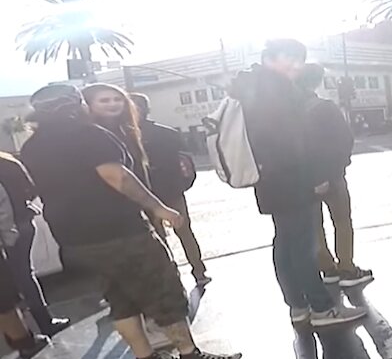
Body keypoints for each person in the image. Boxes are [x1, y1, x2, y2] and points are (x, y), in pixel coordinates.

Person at [20, 84, 240, 359]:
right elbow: (116, 176)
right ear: (75, 105)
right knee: (163, 291)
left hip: (72, 237)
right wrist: (159, 207)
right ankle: (192, 358)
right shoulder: (89, 135)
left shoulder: (32, 146)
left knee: (119, 298)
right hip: (118, 229)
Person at [231, 39, 366, 326]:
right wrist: (315, 177)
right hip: (292, 180)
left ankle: (297, 305)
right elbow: (289, 143)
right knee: (302, 246)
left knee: (285, 244)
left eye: (299, 59)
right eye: (288, 58)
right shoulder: (276, 91)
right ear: (269, 58)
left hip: (269, 181)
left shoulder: (253, 86)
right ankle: (321, 308)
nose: (295, 64)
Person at [295, 64, 373, 289]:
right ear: (315, 83)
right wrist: (338, 168)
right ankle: (347, 268)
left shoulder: (290, 112)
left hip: (304, 179)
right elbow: (344, 139)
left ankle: (327, 267)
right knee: (341, 221)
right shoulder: (325, 108)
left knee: (315, 225)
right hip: (332, 175)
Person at [130, 92, 209, 287]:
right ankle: (198, 271)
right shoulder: (167, 133)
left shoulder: (124, 137)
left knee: (159, 237)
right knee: (183, 232)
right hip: (170, 191)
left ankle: (173, 275)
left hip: (147, 194)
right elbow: (180, 162)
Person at [0, 151, 68, 337]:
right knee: (24, 274)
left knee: (10, 280)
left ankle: (21, 331)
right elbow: (31, 188)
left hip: (8, 227)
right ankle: (44, 321)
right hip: (22, 222)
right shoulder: (8, 162)